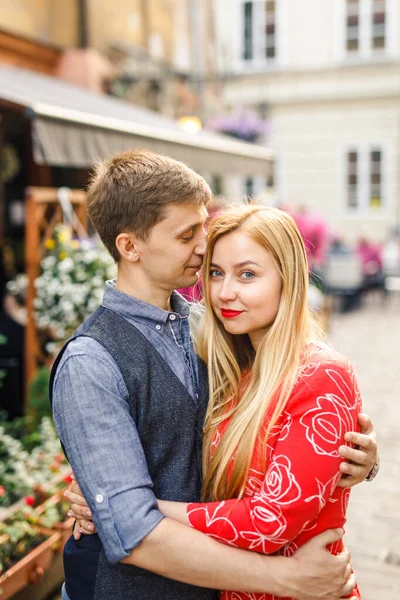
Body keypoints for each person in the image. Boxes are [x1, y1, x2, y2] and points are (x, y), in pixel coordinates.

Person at [53, 151, 378, 600]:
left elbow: (289, 413)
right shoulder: (90, 361)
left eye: (203, 228)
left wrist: (355, 459)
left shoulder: (215, 327)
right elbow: (130, 530)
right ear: (130, 247)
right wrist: (286, 579)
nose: (205, 247)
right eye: (188, 234)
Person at [154, 204, 364, 599]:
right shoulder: (234, 372)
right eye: (216, 273)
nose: (225, 292)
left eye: (247, 274)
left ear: (289, 279)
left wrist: (138, 509)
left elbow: (269, 520)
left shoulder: (321, 374)